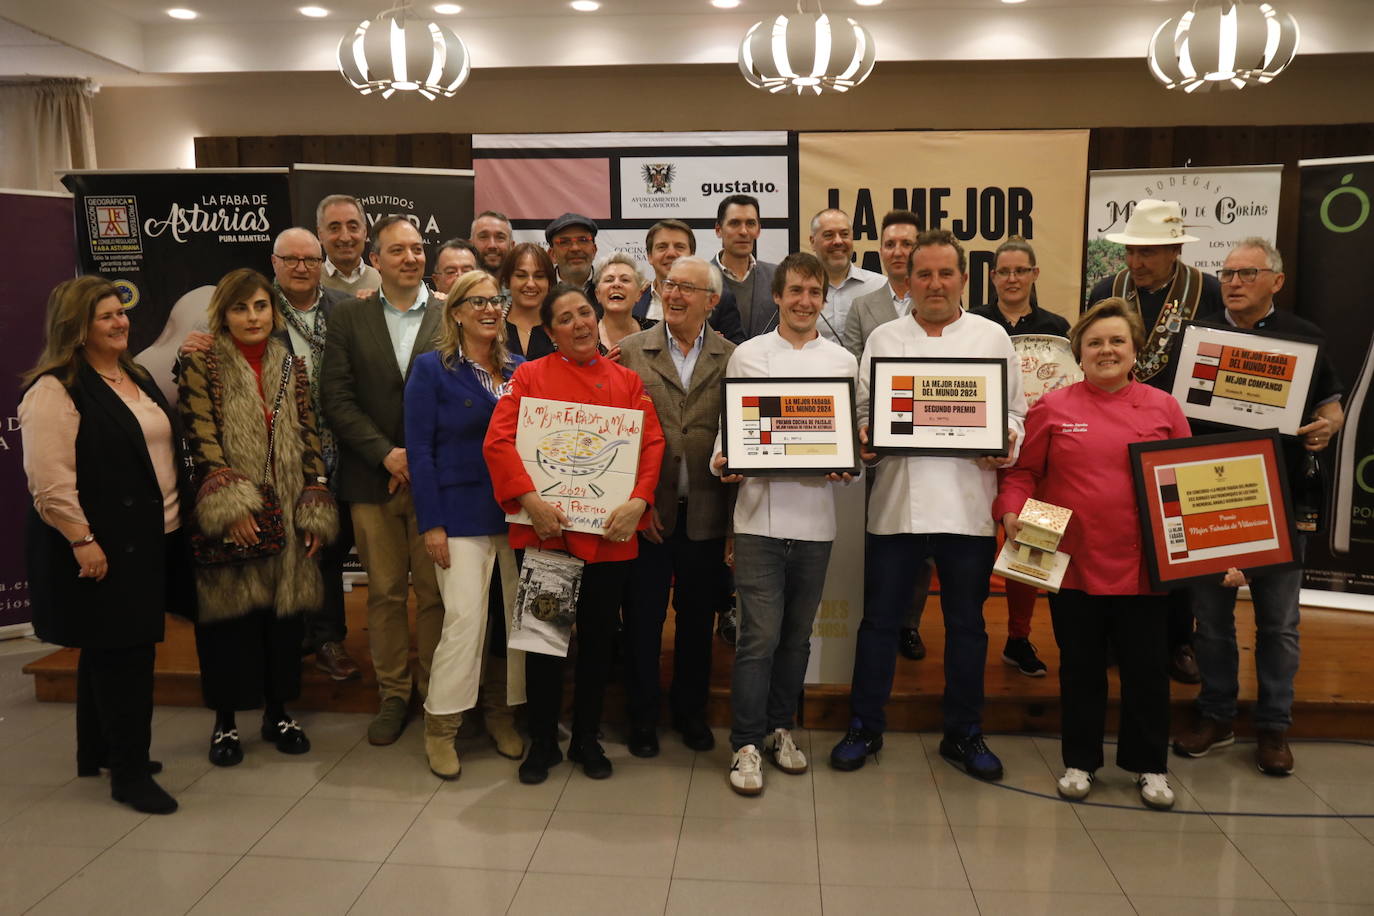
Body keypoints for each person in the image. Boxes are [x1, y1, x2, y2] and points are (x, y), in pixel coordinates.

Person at [831, 230, 1025, 781]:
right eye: (924, 274)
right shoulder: (885, 339)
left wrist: (1003, 440)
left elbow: (1016, 416)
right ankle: (864, 726)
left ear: (964, 278)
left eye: (946, 273)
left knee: (967, 627)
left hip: (966, 507)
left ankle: (964, 733)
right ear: (906, 280)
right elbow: (865, 410)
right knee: (879, 624)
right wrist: (866, 433)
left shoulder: (991, 338)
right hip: (896, 506)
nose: (935, 284)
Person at [996, 297, 1189, 809]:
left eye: (1117, 341)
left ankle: (1150, 766)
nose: (1107, 350)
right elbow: (1023, 473)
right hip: (1069, 559)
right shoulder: (1053, 408)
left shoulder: (1164, 407)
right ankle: (1080, 761)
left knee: (1147, 671)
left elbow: (1186, 483)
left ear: (1135, 349)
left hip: (1144, 565)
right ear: (1079, 353)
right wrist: (1011, 511)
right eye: (1096, 342)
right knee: (1080, 667)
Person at [21, 276, 195, 815]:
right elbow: (49, 482)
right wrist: (82, 539)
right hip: (103, 546)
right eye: (106, 316)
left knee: (105, 648)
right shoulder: (54, 389)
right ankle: (129, 773)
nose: (121, 322)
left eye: (121, 313)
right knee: (126, 656)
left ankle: (95, 751)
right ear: (76, 327)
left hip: (154, 536)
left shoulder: (133, 373)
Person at [1172, 238, 1345, 776]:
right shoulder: (1195, 336)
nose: (1234, 281)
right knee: (1211, 620)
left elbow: (1331, 404)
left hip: (1281, 498)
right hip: (1208, 495)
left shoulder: (1305, 338)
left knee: (1279, 623)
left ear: (1277, 280)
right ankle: (1217, 714)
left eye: (1247, 272)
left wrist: (1331, 422)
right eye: (1226, 273)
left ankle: (1273, 726)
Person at [484, 283, 665, 784]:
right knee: (544, 642)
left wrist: (639, 502)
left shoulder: (627, 381)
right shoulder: (528, 376)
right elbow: (499, 442)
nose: (581, 324)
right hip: (547, 534)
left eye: (585, 313)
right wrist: (530, 501)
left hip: (608, 538)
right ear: (549, 331)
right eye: (565, 319)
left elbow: (651, 444)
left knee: (600, 643)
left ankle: (586, 738)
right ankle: (542, 740)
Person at [177, 268, 339, 770]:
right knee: (229, 622)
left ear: (274, 312)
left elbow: (309, 434)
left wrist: (313, 502)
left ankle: (278, 713)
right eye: (241, 308)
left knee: (282, 621)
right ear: (223, 315)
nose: (253, 317)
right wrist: (231, 505)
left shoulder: (290, 363)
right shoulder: (201, 361)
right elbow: (198, 437)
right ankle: (225, 720)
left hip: (288, 512)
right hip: (232, 512)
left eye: (261, 307)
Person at [709, 252, 858, 796]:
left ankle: (780, 729)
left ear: (823, 298)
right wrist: (723, 459)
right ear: (777, 296)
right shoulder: (748, 356)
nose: (804, 301)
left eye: (814, 292)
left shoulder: (843, 363)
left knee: (796, 640)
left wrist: (849, 464)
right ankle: (745, 742)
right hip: (757, 522)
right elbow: (730, 430)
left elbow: (849, 446)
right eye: (794, 291)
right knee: (758, 638)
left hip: (816, 522)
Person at [1088, 199, 1224, 684]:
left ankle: (1178, 639)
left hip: (1177, 432)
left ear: (1173, 250)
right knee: (1110, 540)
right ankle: (1106, 637)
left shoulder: (1207, 292)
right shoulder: (1108, 289)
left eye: (1147, 253)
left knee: (1173, 542)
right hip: (1110, 432)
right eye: (1131, 252)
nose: (1136, 263)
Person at [321, 216, 445, 747]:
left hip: (437, 482)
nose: (411, 258)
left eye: (418, 249)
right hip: (373, 480)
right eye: (398, 251)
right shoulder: (350, 318)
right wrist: (386, 454)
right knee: (387, 595)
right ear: (376, 259)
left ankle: (438, 691)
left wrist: (419, 458)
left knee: (438, 595)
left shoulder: (449, 315)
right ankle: (394, 695)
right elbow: (336, 398)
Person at [406, 270, 527, 779]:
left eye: (495, 300)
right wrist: (431, 523)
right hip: (457, 518)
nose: (488, 309)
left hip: (519, 517)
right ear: (454, 312)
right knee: (463, 623)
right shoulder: (432, 369)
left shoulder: (523, 369)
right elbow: (420, 449)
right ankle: (443, 727)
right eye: (474, 301)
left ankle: (502, 714)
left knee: (514, 622)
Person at [618, 256, 736, 756]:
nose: (674, 294)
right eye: (669, 284)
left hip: (708, 514)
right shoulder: (627, 352)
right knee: (642, 622)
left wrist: (735, 524)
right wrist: (636, 505)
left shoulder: (735, 357)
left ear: (712, 301)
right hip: (648, 515)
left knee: (695, 622)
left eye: (688, 288)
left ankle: (690, 714)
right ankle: (641, 719)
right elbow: (614, 439)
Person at [969, 236, 1071, 678]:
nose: (1011, 278)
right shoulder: (972, 323)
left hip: (1041, 455)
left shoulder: (1059, 327)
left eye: (1020, 270)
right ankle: (967, 632)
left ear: (1034, 274)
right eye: (1003, 271)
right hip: (979, 453)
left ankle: (1019, 636)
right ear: (992, 277)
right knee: (971, 550)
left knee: (1032, 548)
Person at [840, 209, 928, 662]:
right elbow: (857, 374)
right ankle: (872, 615)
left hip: (930, 444)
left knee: (921, 543)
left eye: (907, 244)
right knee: (877, 538)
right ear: (880, 251)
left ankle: (909, 624)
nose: (898, 252)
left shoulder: (940, 300)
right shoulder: (863, 305)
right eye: (890, 244)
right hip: (878, 442)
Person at [633, 219, 745, 344]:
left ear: (692, 255)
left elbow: (737, 349)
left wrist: (715, 343)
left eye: (679, 247)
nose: (671, 253)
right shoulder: (633, 300)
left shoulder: (720, 299)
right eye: (662, 247)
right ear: (649, 256)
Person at [808, 208, 885, 345]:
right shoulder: (799, 292)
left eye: (844, 234)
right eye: (828, 235)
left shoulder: (880, 287)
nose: (838, 241)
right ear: (812, 241)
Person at [713, 194, 778, 339]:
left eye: (750, 223)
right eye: (734, 223)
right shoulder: (699, 278)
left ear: (758, 230)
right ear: (718, 229)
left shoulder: (778, 276)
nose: (743, 231)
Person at [499, 242, 557, 360]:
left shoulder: (563, 328)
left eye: (539, 276)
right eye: (521, 276)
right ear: (507, 281)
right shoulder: (492, 326)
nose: (530, 284)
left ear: (549, 283)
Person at [316, 194, 381, 296]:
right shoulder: (312, 280)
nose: (345, 237)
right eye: (334, 228)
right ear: (320, 234)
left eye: (353, 227)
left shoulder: (382, 281)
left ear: (365, 232)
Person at [593, 251, 654, 355]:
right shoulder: (584, 335)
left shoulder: (656, 331)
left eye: (625, 280)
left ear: (639, 294)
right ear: (598, 294)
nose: (616, 284)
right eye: (609, 280)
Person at [545, 212, 599, 293]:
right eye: (564, 242)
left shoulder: (609, 289)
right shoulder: (541, 291)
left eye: (583, 240)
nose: (575, 248)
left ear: (594, 250)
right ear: (552, 254)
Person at [471, 210, 514, 274]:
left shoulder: (525, 283)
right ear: (471, 244)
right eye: (484, 237)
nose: (492, 245)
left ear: (512, 246)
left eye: (500, 238)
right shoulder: (459, 283)